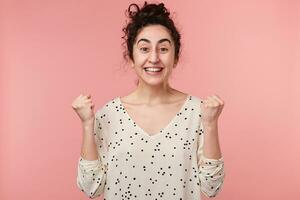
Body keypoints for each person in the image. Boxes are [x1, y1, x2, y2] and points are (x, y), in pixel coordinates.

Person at [72, 1, 225, 199]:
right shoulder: (109, 114)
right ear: (131, 58)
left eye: (163, 49)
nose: (154, 58)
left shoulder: (198, 112)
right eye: (144, 49)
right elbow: (91, 187)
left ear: (175, 57)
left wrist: (211, 124)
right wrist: (86, 124)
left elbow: (211, 187)